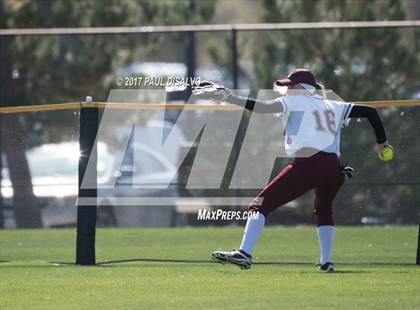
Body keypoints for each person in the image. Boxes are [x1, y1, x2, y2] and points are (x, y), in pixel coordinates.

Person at [193, 69, 392, 272]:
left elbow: (261, 108)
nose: (286, 90)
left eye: (290, 86)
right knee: (323, 210)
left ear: (302, 89)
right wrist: (382, 143)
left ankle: (244, 253)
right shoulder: (333, 105)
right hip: (334, 168)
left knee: (259, 205)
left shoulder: (295, 101)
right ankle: (326, 262)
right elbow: (371, 112)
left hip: (309, 164)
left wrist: (230, 97)